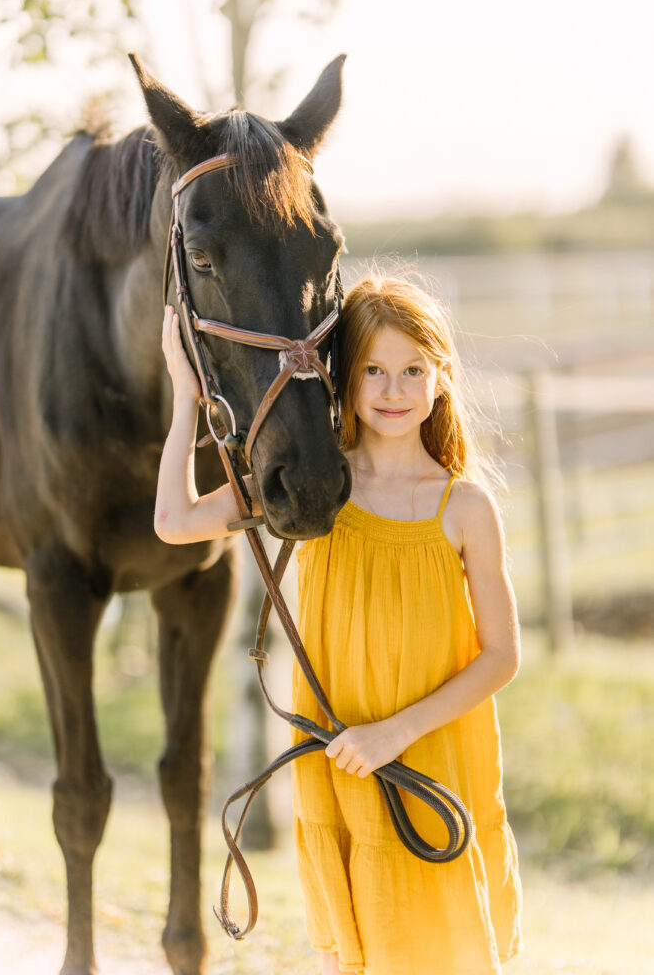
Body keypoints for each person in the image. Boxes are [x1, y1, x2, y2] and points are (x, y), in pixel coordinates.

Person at [155, 274, 523, 975]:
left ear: (440, 380)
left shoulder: (464, 507)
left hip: (431, 758)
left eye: (413, 370)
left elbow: (500, 657)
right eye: (373, 371)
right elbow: (173, 522)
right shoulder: (316, 487)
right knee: (349, 953)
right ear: (343, 382)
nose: (393, 389)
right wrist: (185, 394)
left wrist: (396, 732)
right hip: (342, 763)